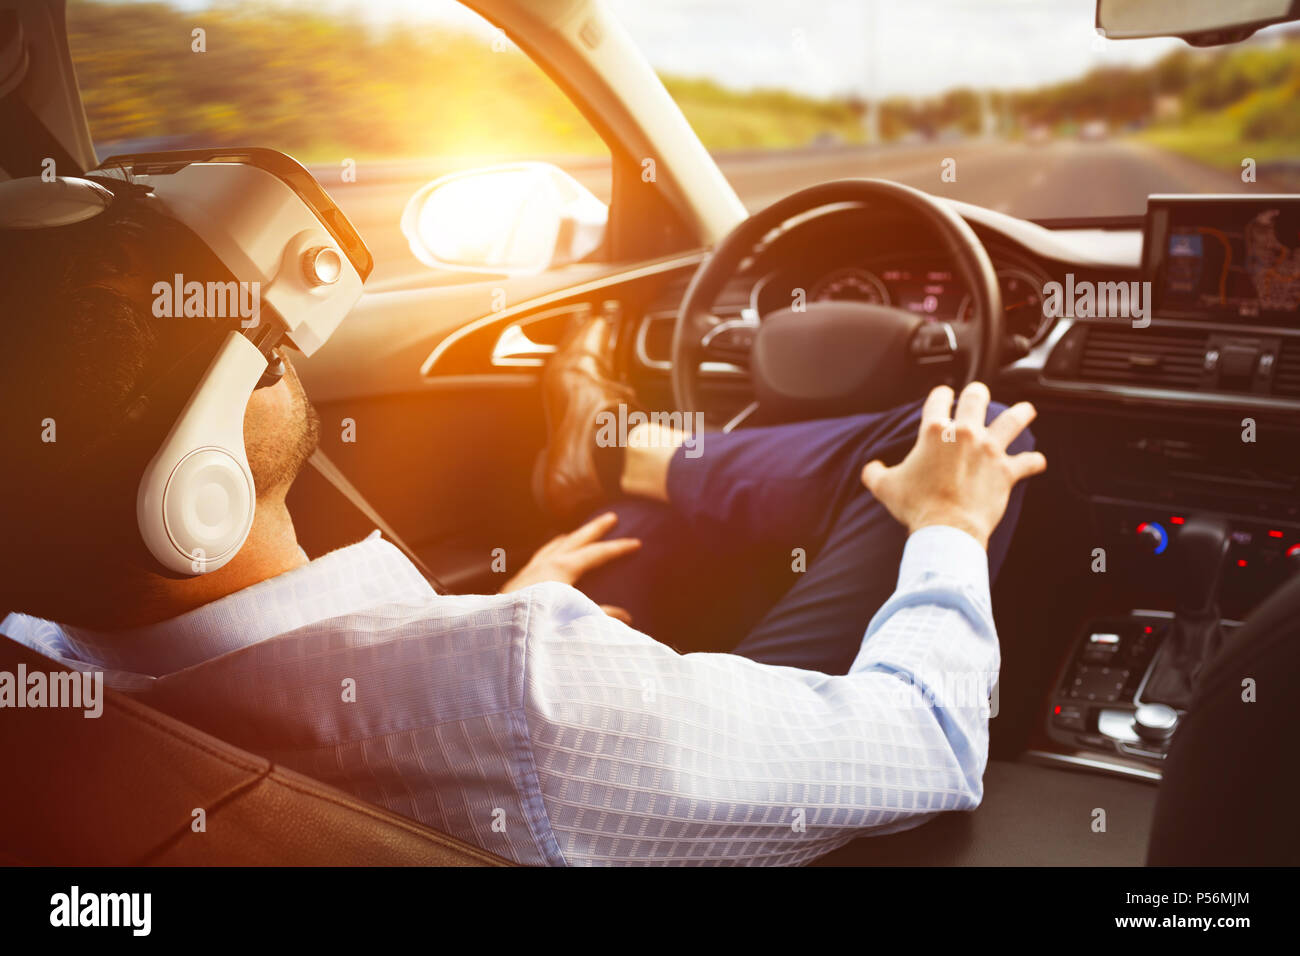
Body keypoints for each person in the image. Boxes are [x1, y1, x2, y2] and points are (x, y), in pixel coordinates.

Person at [0, 199, 1045, 866]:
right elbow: (932, 742)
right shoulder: (525, 687)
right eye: (255, 353)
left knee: (633, 531)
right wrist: (951, 521)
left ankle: (614, 452)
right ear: (199, 492)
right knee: (932, 437)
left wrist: (478, 618)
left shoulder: (33, 675)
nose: (279, 341)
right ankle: (621, 446)